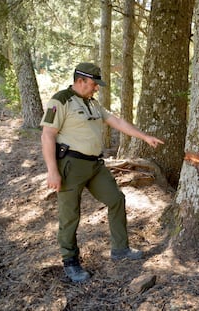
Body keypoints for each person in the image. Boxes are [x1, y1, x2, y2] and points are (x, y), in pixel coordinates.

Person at [40, 62, 164, 282]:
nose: (96, 88)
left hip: (95, 165)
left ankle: (120, 249)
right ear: (80, 81)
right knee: (70, 215)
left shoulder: (93, 103)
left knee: (116, 199)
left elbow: (115, 121)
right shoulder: (61, 100)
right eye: (94, 84)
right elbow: (48, 135)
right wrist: (52, 171)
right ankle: (70, 262)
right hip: (71, 165)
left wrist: (144, 137)